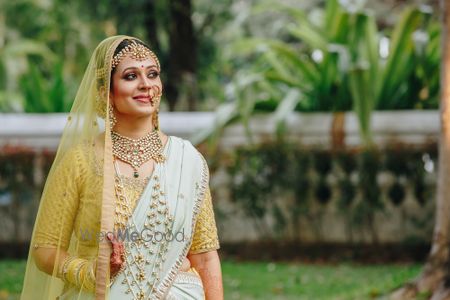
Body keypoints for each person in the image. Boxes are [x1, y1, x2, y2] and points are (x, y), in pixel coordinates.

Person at [20, 36, 223, 300]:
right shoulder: (80, 161)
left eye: (152, 74)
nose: (146, 85)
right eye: (130, 76)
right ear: (107, 92)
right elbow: (44, 249)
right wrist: (90, 272)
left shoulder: (188, 160)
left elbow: (205, 257)